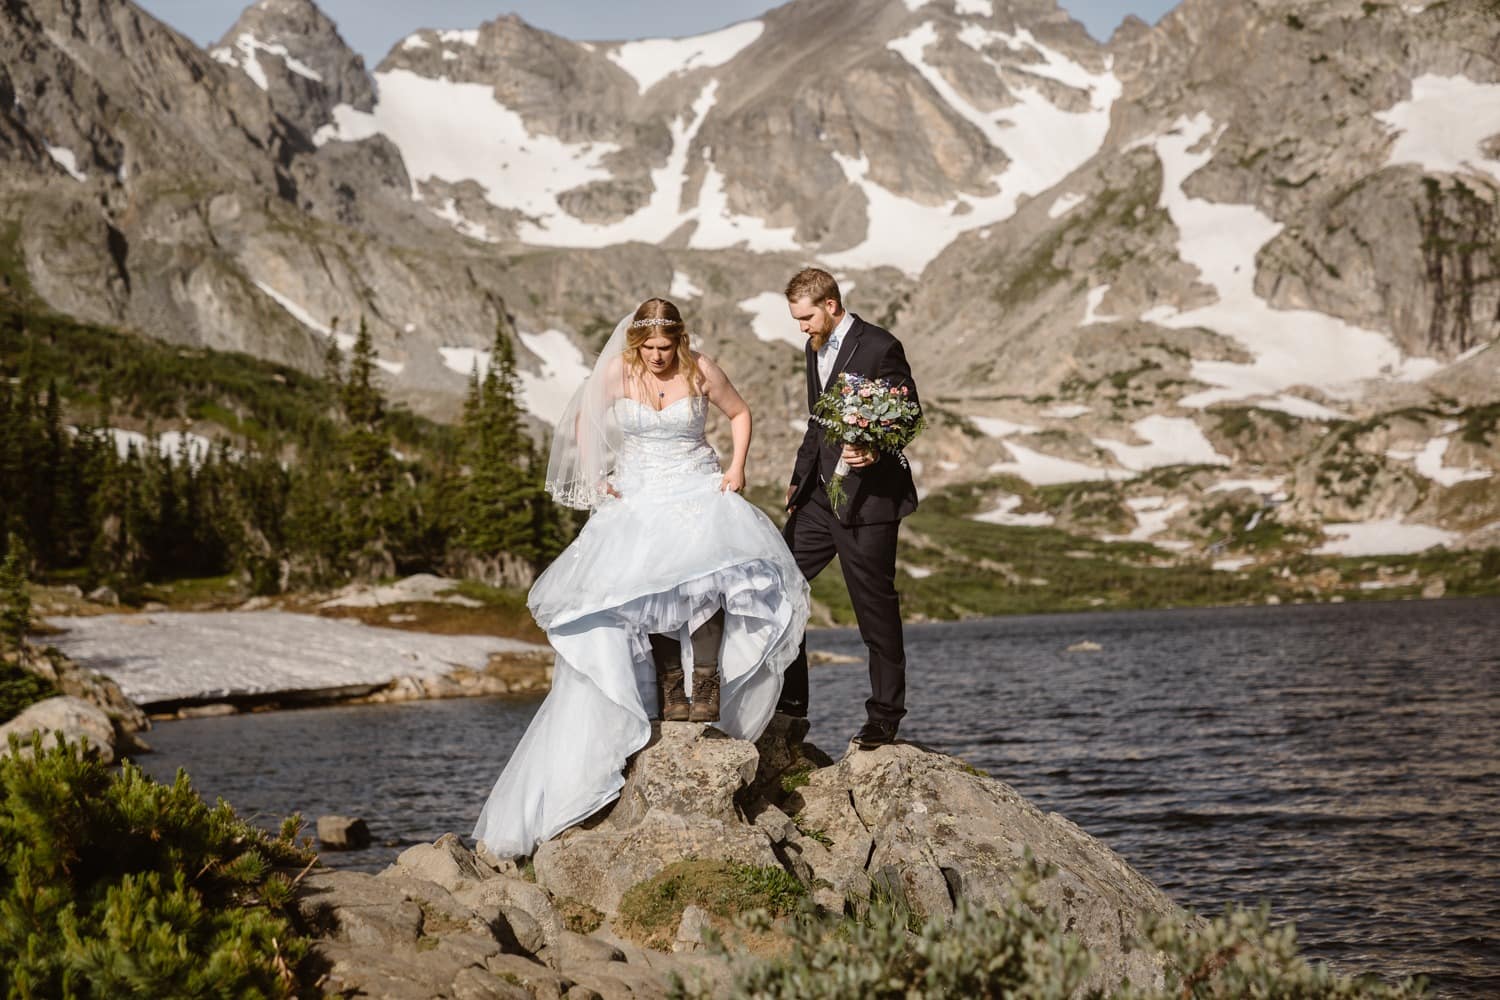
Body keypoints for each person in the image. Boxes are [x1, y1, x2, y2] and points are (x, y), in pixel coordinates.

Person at [473, 298, 810, 858]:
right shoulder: (617, 371)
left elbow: (740, 413)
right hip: (638, 495)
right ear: (636, 344)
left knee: (708, 591)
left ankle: (702, 698)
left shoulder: (701, 369)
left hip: (696, 488)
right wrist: (596, 474)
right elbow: (583, 421)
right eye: (648, 348)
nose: (656, 357)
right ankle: (663, 698)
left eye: (665, 348)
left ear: (679, 340)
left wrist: (737, 466)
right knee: (644, 597)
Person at [780, 267, 919, 749]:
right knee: (777, 584)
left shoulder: (880, 346)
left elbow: (909, 414)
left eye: (806, 318)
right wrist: (799, 481)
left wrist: (876, 449)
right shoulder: (811, 348)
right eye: (796, 319)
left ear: (831, 305)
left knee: (874, 613)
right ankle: (791, 703)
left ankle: (884, 717)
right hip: (818, 500)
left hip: (869, 503)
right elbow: (817, 424)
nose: (802, 328)